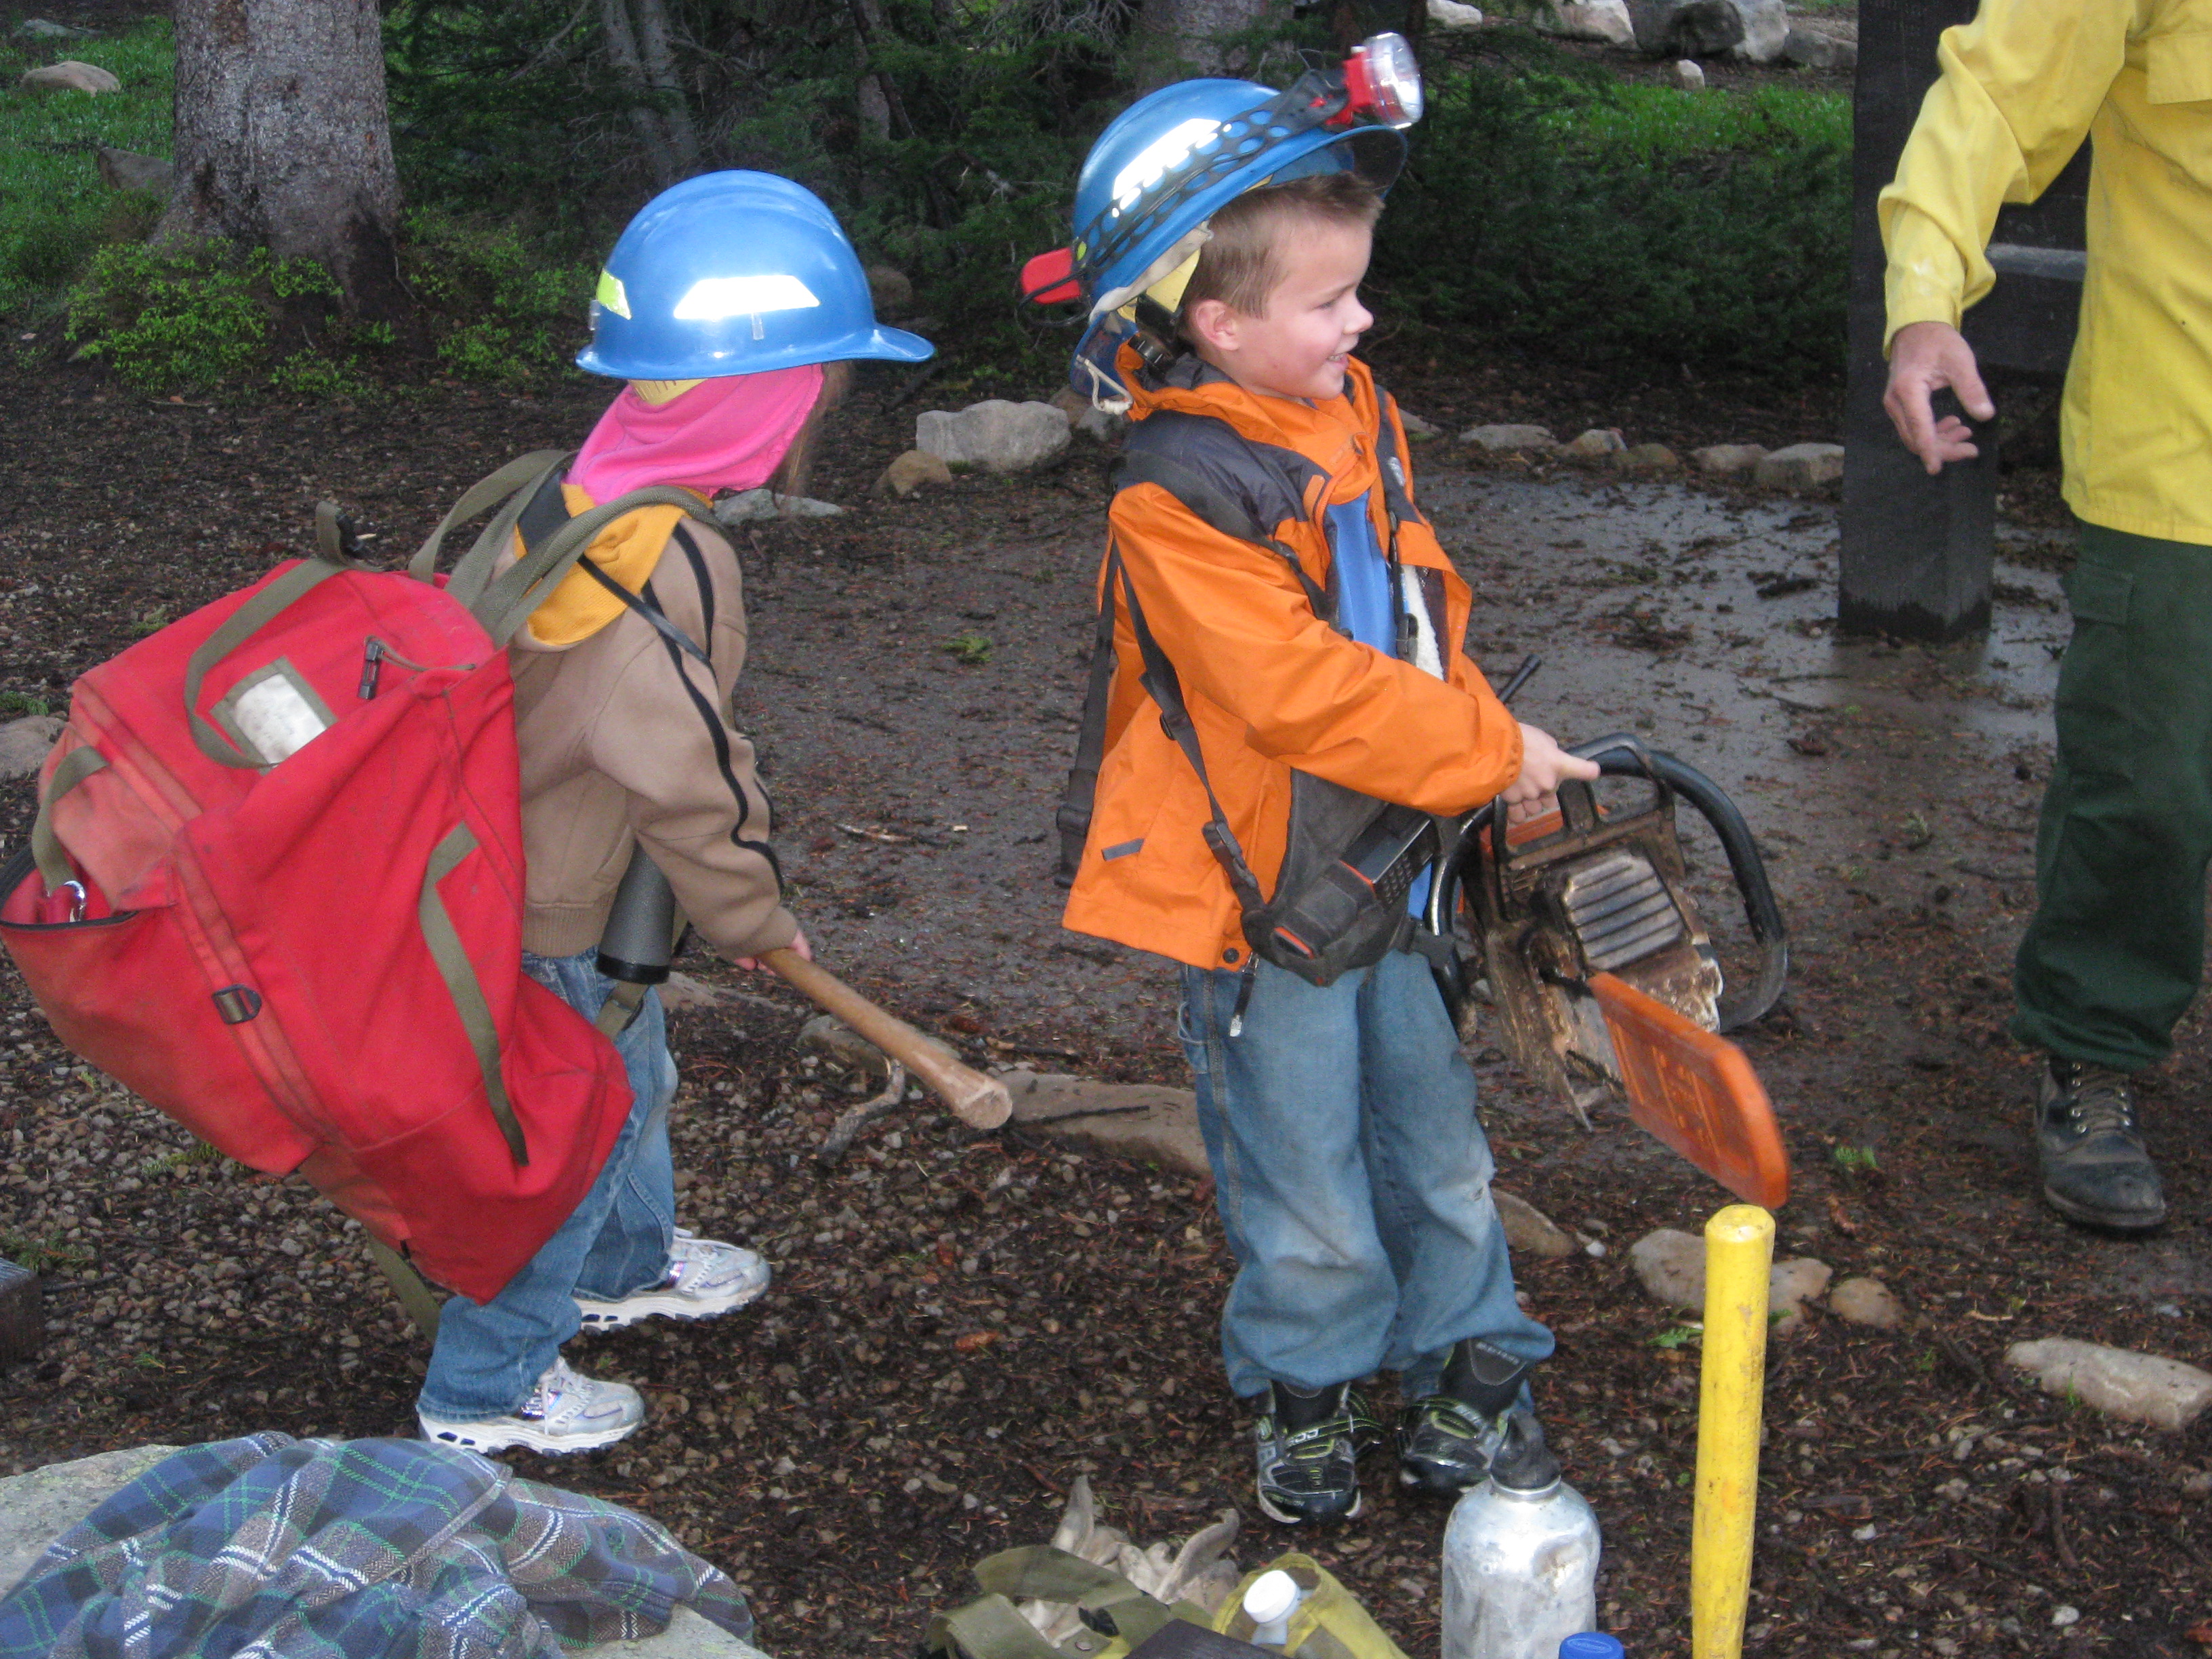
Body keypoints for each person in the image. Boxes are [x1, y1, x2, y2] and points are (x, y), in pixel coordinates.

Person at [1044, 65, 1599, 1524]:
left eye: (1358, 292)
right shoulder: (1174, 497)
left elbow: (1415, 614)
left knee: (1439, 1148)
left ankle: (1473, 1361)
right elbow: (1296, 692)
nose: (1361, 322)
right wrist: (1488, 753)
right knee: (1302, 1178)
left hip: (1394, 871)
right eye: (1329, 300)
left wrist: (1487, 747)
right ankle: (1304, 1389)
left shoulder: (1354, 411)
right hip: (1264, 901)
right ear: (1218, 326)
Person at [414, 171, 934, 1453]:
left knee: (630, 1075)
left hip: (505, 864)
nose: (823, 413)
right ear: (765, 404)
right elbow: (693, 769)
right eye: (819, 391)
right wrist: (756, 917)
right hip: (553, 905)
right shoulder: (667, 561)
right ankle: (485, 1390)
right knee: (571, 1131)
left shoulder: (567, 487)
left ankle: (630, 1263)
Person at [1879, 0, 2205, 1233]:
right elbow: (1990, 101)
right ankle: (2095, 1055)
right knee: (2150, 785)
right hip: (2183, 458)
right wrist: (1923, 300)